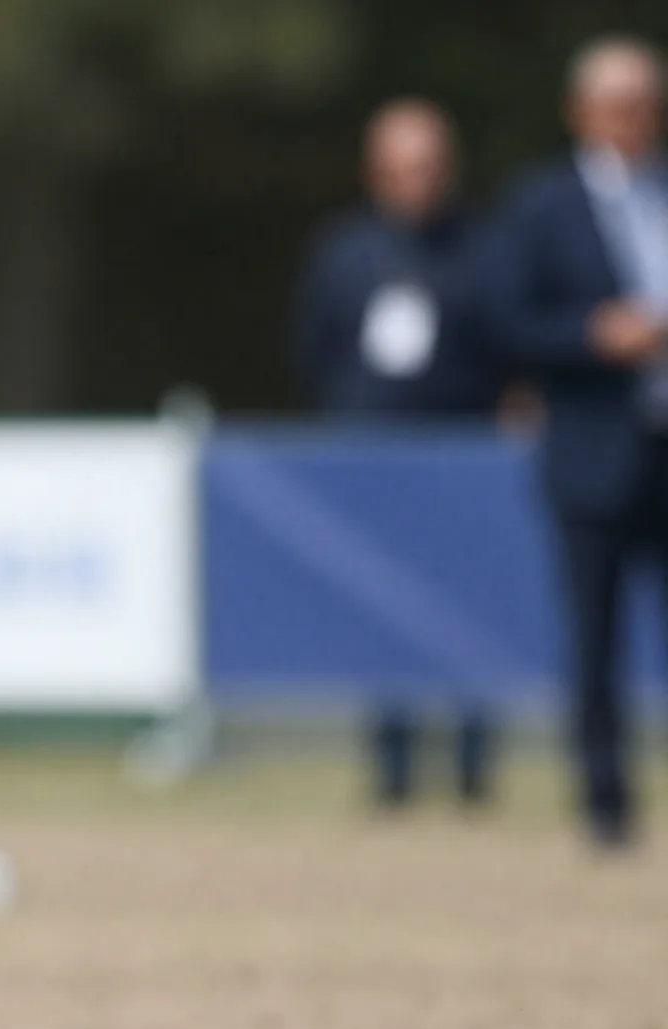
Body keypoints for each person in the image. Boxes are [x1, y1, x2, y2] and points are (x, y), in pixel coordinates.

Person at [294, 99, 506, 808]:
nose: (416, 180)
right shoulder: (345, 252)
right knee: (380, 613)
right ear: (376, 172)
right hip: (375, 456)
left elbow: (506, 345)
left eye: (428, 166)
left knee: (471, 612)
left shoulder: (483, 248)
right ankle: (391, 771)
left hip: (465, 457)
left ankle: (474, 772)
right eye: (402, 167)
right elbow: (316, 349)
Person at [485, 37, 668, 846]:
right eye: (621, 104)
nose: (637, 120)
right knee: (594, 640)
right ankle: (606, 804)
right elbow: (508, 320)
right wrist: (597, 335)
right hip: (594, 447)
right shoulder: (540, 205)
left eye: (649, 103)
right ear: (582, 113)